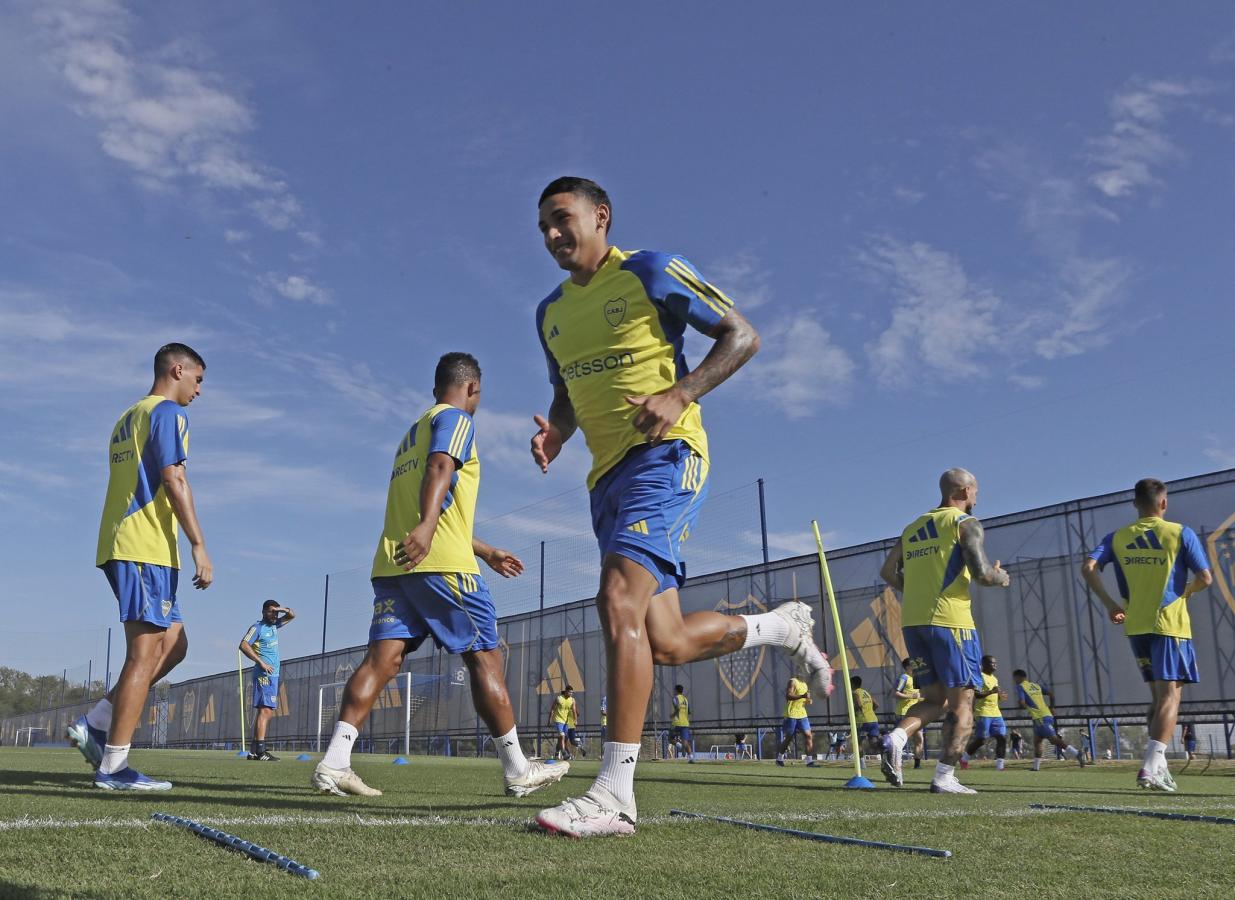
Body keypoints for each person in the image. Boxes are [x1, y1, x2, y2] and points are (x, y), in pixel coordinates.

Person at [529, 177, 832, 836]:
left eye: (563, 219)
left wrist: (682, 394)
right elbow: (565, 391)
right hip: (605, 482)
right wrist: (556, 431)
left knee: (617, 600)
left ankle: (613, 793)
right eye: (544, 228)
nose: (553, 236)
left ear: (600, 217)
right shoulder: (548, 312)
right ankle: (777, 629)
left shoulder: (649, 271)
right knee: (661, 641)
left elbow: (741, 336)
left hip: (666, 460)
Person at [313, 353, 565, 799]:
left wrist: (484, 550)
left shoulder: (412, 434)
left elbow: (437, 507)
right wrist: (429, 528)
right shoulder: (457, 421)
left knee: (382, 661)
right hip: (442, 564)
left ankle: (334, 761)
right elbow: (441, 472)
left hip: (396, 565)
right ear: (472, 389)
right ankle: (517, 769)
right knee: (485, 659)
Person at [67, 344, 212, 791]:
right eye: (198, 380)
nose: (199, 391)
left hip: (127, 545)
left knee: (175, 644)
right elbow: (174, 478)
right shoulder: (168, 413)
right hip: (142, 547)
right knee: (143, 654)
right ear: (177, 370)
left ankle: (96, 722)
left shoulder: (126, 418)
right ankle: (114, 766)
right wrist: (199, 545)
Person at [878, 468, 1011, 794]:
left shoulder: (913, 527)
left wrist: (917, 591)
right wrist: (1000, 576)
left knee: (935, 700)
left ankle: (896, 738)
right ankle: (944, 777)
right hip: (952, 624)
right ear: (965, 491)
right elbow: (980, 574)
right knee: (963, 703)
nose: (977, 498)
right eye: (977, 491)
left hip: (914, 623)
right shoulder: (964, 523)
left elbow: (887, 571)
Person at [1081, 477, 1212, 792]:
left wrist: (1112, 604)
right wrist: (1187, 593)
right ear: (1163, 503)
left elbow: (1088, 567)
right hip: (1169, 624)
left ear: (1135, 504)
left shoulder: (1118, 536)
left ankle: (1159, 766)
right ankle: (1151, 765)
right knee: (1171, 694)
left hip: (1135, 625)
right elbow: (1205, 578)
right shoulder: (1180, 533)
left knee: (1157, 696)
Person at [239, 600, 296, 761]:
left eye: (276, 612)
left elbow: (292, 615)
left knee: (266, 711)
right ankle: (261, 752)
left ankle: (254, 750)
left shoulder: (274, 625)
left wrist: (282, 609)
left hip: (273, 675)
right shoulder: (257, 628)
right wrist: (261, 662)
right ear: (263, 611)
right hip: (264, 675)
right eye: (271, 611)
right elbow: (243, 645)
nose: (275, 614)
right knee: (265, 711)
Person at [1012, 670, 1083, 770]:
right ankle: (1036, 768)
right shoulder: (1036, 686)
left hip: (1040, 717)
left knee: (1054, 740)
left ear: (1018, 677)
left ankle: (1076, 753)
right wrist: (1052, 707)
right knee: (1037, 741)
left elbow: (1022, 702)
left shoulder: (1020, 686)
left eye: (1014, 678)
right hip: (1045, 715)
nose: (1014, 680)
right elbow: (1051, 694)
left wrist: (1022, 705)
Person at [962, 655, 1008, 771]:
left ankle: (1000, 766)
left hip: (996, 713)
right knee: (981, 740)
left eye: (995, 663)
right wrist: (992, 691)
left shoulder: (994, 678)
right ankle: (964, 758)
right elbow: (976, 694)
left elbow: (995, 694)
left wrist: (1000, 696)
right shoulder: (979, 677)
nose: (995, 665)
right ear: (985, 665)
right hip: (983, 712)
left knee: (1002, 737)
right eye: (992, 663)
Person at [892, 658, 924, 768]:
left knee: (919, 739)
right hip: (903, 713)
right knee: (901, 741)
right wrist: (911, 696)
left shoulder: (917, 679)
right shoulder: (904, 677)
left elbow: (918, 695)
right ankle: (895, 763)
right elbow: (895, 693)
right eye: (913, 665)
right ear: (907, 667)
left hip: (917, 713)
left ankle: (917, 766)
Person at [776, 676, 815, 766]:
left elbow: (804, 699)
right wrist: (803, 696)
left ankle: (809, 761)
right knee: (789, 738)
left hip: (802, 714)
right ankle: (779, 759)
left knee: (808, 736)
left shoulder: (805, 684)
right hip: (791, 714)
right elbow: (788, 695)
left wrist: (808, 700)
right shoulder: (793, 681)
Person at [548, 685, 580, 760]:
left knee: (562, 738)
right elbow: (552, 709)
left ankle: (556, 752)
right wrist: (549, 720)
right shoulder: (559, 698)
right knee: (562, 736)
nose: (571, 694)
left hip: (566, 722)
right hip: (558, 720)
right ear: (566, 691)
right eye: (569, 692)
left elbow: (574, 711)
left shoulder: (572, 700)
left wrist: (575, 720)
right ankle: (564, 753)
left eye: (572, 692)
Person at [851, 675, 881, 753]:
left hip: (862, 721)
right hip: (873, 720)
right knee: (874, 742)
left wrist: (852, 712)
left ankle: (861, 763)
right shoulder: (866, 692)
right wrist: (870, 711)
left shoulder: (855, 693)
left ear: (853, 684)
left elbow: (859, 705)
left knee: (858, 742)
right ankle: (883, 757)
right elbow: (877, 705)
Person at [669, 685, 694, 761]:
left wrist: (672, 715)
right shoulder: (686, 700)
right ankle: (691, 758)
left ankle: (680, 746)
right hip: (685, 724)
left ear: (676, 690)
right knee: (685, 742)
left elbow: (677, 708)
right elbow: (689, 712)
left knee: (670, 739)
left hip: (676, 723)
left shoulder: (675, 698)